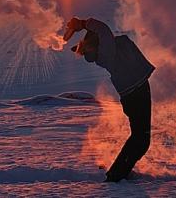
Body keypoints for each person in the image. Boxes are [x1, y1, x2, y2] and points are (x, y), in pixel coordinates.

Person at [63, 17, 155, 182]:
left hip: (135, 92)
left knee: (140, 138)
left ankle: (119, 172)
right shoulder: (106, 52)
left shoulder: (107, 49)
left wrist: (82, 28)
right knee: (140, 140)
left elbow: (102, 32)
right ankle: (116, 176)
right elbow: (103, 29)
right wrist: (83, 24)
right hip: (136, 94)